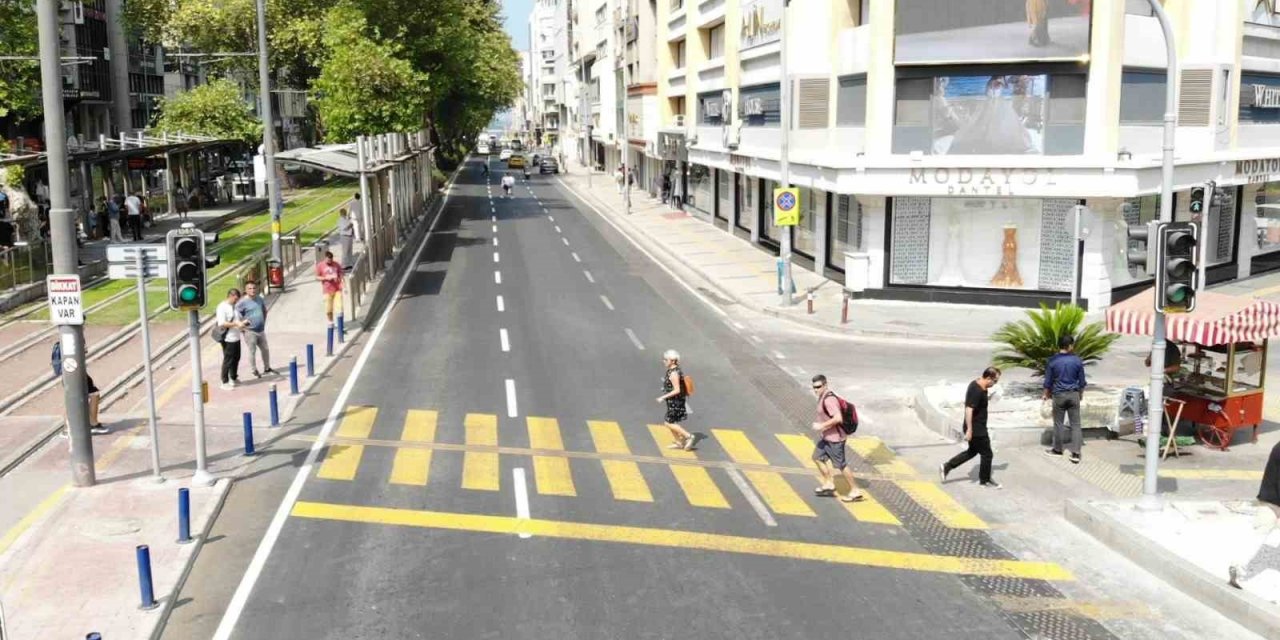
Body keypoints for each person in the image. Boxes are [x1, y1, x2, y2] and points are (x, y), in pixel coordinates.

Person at [940, 367, 1002, 489]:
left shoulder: (977, 384)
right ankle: (985, 480)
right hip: (977, 428)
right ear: (988, 378)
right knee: (987, 454)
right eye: (995, 381)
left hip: (977, 426)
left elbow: (976, 404)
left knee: (972, 451)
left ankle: (947, 466)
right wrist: (969, 430)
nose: (995, 384)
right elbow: (969, 409)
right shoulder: (977, 390)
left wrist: (988, 399)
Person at [1230, 441, 1280, 590]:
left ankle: (1237, 566)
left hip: (1267, 498)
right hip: (1275, 501)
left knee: (1258, 533)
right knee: (1260, 532)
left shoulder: (1277, 446)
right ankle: (1238, 567)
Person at [809, 374, 865, 502]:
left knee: (841, 465)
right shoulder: (822, 396)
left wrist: (821, 425)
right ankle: (829, 483)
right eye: (814, 387)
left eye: (818, 387)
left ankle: (855, 490)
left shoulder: (829, 400)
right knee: (817, 458)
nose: (816, 390)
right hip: (826, 438)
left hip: (835, 440)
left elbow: (838, 418)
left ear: (825, 385)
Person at [1044, 334, 1087, 464]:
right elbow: (1082, 382)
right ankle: (1076, 453)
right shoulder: (1077, 361)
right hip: (1073, 394)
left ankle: (1057, 450)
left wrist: (1046, 393)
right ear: (1069, 346)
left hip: (1059, 395)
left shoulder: (1052, 361)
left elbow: (1048, 381)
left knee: (1058, 424)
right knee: (1076, 424)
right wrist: (1080, 394)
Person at [656, 349, 698, 451]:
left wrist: (662, 397)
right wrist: (665, 389)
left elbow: (677, 390)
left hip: (676, 401)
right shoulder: (674, 370)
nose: (664, 361)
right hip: (674, 401)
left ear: (672, 361)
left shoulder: (673, 373)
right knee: (672, 422)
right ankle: (679, 443)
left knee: (668, 422)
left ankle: (689, 436)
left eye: (666, 360)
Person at [236, 281, 275, 379]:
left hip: (261, 330)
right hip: (250, 331)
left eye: (254, 288)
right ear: (246, 290)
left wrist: (263, 322)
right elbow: (237, 316)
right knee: (252, 351)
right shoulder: (242, 303)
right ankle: (254, 370)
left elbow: (264, 311)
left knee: (265, 349)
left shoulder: (259, 299)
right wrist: (243, 327)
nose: (252, 290)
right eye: (250, 288)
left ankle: (267, 368)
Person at [216, 289, 246, 390]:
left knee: (236, 357)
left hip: (236, 336)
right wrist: (236, 324)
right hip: (228, 338)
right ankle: (224, 381)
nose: (236, 301)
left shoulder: (234, 306)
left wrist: (242, 323)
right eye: (235, 299)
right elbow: (222, 323)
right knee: (228, 360)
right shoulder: (222, 307)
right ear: (230, 296)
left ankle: (233, 377)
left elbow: (237, 319)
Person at [315, 251, 344, 326]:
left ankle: (341, 325)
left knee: (339, 308)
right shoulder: (320, 265)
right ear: (325, 258)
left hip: (337, 289)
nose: (329, 262)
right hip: (327, 290)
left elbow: (341, 275)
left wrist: (343, 285)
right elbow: (317, 277)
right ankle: (331, 322)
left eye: (331, 260)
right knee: (328, 309)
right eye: (328, 260)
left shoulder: (336, 264)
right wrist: (325, 278)